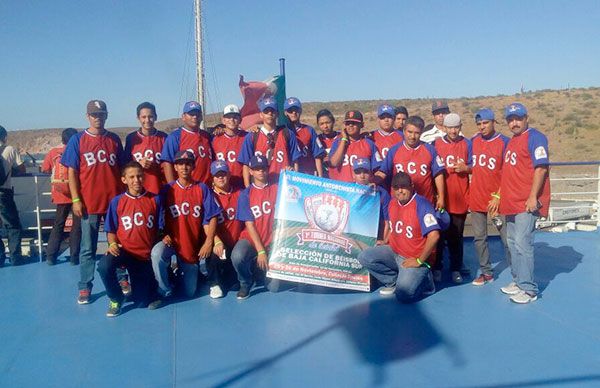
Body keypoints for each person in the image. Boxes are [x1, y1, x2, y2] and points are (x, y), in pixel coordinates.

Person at [61, 100, 125, 304]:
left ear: (107, 115)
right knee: (88, 247)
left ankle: (122, 278)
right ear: (87, 116)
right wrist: (76, 199)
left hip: (114, 203)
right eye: (94, 114)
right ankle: (85, 285)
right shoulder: (78, 140)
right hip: (89, 203)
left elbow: (122, 169)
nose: (98, 118)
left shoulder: (114, 139)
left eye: (102, 114)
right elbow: (71, 171)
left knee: (118, 243)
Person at [149, 150, 221, 306]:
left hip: (190, 243)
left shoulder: (202, 188)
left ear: (193, 166)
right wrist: (162, 233)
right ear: (175, 167)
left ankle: (179, 272)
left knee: (189, 292)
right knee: (156, 254)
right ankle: (164, 289)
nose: (184, 167)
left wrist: (209, 242)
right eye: (180, 164)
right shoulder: (167, 189)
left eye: (188, 164)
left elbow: (213, 216)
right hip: (171, 241)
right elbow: (155, 213)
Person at [357, 172, 440, 303]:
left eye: (404, 186)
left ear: (412, 186)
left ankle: (426, 281)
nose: (400, 190)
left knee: (404, 294)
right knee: (364, 257)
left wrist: (419, 260)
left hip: (414, 258)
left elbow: (434, 236)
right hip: (394, 252)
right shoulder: (393, 204)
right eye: (396, 187)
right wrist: (385, 241)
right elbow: (393, 227)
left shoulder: (422, 205)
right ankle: (393, 281)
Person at [499, 103, 550, 304]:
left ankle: (529, 289)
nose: (514, 122)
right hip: (510, 202)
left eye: (518, 118)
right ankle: (518, 281)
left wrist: (532, 197)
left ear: (526, 118)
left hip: (525, 202)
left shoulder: (535, 137)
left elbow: (540, 168)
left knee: (523, 243)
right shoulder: (513, 141)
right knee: (512, 243)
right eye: (510, 120)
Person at [98, 161, 162, 317]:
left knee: (141, 303)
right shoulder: (117, 201)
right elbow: (111, 229)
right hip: (124, 251)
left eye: (139, 176)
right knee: (103, 266)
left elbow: (160, 229)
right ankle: (115, 297)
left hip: (144, 257)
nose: (136, 180)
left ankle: (150, 285)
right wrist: (112, 243)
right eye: (132, 177)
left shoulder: (155, 200)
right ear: (124, 180)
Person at [231, 155, 282, 300]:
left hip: (273, 242)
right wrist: (260, 251)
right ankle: (246, 282)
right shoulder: (245, 194)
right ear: (251, 172)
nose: (261, 172)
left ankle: (260, 272)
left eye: (263, 168)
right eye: (256, 169)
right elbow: (249, 225)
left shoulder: (277, 188)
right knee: (237, 256)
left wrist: (290, 173)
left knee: (274, 288)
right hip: (252, 240)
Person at [469, 108, 511, 286]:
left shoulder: (504, 142)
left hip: (497, 200)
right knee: (479, 238)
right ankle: (486, 272)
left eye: (485, 123)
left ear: (493, 122)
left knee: (507, 238)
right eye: (479, 124)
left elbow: (509, 173)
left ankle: (518, 273)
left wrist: (498, 196)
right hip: (477, 198)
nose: (482, 127)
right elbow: (475, 166)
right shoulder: (473, 141)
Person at [433, 113, 472, 283]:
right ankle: (437, 267)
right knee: (439, 236)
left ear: (460, 126)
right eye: (450, 127)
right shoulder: (436, 144)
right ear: (445, 128)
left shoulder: (467, 143)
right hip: (442, 198)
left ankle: (455, 267)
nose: (453, 131)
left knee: (456, 236)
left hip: (460, 197)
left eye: (456, 127)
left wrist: (466, 168)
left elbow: (477, 167)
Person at [375, 116, 446, 209]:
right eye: (410, 132)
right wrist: (372, 182)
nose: (412, 136)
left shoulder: (430, 150)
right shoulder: (394, 150)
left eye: (417, 133)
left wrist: (441, 197)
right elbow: (383, 172)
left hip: (425, 202)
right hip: (400, 203)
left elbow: (438, 174)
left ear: (421, 133)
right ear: (404, 131)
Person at [238, 97, 302, 186]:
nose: (270, 114)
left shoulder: (287, 133)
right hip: (261, 186)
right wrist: (248, 188)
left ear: (278, 114)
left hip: (283, 184)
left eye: (273, 111)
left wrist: (294, 180)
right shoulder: (252, 136)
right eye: (266, 111)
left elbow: (295, 160)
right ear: (261, 114)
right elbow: (246, 165)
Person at [41, 127, 81, 265]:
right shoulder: (78, 151)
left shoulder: (53, 152)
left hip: (60, 193)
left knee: (58, 224)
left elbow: (45, 168)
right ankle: (74, 258)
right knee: (77, 226)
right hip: (76, 192)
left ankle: (51, 256)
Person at [209, 160, 243, 298]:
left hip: (236, 240)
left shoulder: (240, 193)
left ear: (229, 175)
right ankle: (214, 283)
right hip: (219, 241)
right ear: (212, 178)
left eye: (223, 174)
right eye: (217, 175)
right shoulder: (209, 196)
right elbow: (205, 224)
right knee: (214, 256)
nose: (221, 178)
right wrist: (216, 241)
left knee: (234, 280)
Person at [161, 101, 213, 185]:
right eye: (191, 114)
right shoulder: (175, 137)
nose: (195, 117)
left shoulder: (207, 136)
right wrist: (173, 187)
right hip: (186, 188)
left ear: (201, 117)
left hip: (207, 188)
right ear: (183, 117)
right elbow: (167, 163)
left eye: (197, 114)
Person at [124, 102, 168, 195]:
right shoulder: (131, 138)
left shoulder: (164, 138)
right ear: (138, 118)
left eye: (150, 116)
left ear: (156, 117)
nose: (147, 120)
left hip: (161, 189)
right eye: (144, 117)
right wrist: (138, 164)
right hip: (139, 191)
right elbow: (125, 166)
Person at [328, 110, 383, 182]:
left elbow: (378, 169)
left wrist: (373, 183)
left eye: (354, 123)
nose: (350, 125)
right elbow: (334, 163)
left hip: (361, 188)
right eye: (348, 123)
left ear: (362, 125)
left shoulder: (369, 143)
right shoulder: (338, 142)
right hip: (342, 188)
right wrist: (344, 140)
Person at [0, 125, 25, 267]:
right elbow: (22, 168)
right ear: (4, 137)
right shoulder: (10, 149)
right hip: (4, 193)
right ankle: (15, 257)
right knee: (13, 225)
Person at [283, 97, 325, 176]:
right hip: (288, 174)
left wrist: (320, 177)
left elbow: (317, 155)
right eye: (290, 110)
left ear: (300, 110)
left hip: (307, 174)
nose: (294, 113)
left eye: (296, 109)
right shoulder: (282, 131)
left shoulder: (309, 130)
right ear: (285, 113)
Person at [351, 158, 390, 241]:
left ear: (371, 174)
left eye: (365, 172)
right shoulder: (346, 189)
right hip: (350, 235)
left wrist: (383, 241)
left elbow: (387, 222)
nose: (362, 176)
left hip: (372, 237)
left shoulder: (381, 193)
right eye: (358, 172)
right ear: (353, 175)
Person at [211, 104, 246, 189]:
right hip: (222, 184)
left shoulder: (247, 137)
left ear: (240, 119)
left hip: (241, 184)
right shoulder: (214, 139)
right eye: (228, 117)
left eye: (235, 117)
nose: (232, 120)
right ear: (223, 120)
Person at [315, 109, 339, 177]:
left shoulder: (342, 138)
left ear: (333, 121)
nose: (325, 126)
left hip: (340, 178)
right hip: (325, 178)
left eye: (328, 122)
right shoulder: (317, 140)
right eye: (321, 124)